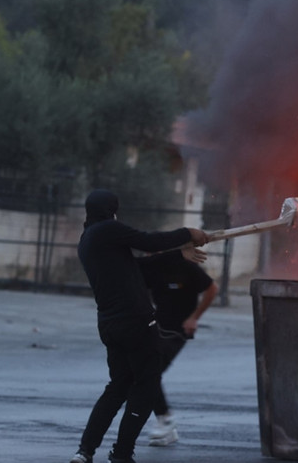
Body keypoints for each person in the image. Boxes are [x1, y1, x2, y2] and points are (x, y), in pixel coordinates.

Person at [69, 189, 208, 463]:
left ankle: (85, 451)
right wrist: (188, 233)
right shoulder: (109, 229)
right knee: (146, 385)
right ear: (111, 210)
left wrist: (180, 253)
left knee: (118, 386)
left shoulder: (88, 241)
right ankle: (122, 453)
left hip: (110, 325)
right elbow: (149, 241)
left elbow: (140, 265)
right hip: (136, 322)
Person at [136, 248, 218, 446]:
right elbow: (136, 287)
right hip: (157, 327)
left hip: (179, 330)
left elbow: (212, 289)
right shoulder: (151, 269)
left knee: (150, 372)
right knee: (146, 373)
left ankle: (165, 419)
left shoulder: (186, 267)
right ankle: (165, 420)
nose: (149, 256)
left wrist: (194, 318)